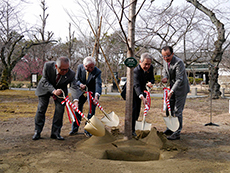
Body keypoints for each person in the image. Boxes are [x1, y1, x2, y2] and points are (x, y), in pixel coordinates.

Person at [32, 56, 78, 140]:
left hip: (61, 91)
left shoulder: (71, 73)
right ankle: (37, 131)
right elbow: (45, 81)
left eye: (66, 69)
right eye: (62, 69)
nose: (65, 72)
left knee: (60, 110)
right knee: (41, 108)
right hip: (45, 88)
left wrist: (75, 101)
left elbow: (74, 87)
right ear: (56, 66)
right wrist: (53, 91)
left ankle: (55, 133)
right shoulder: (48, 66)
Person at [161, 46, 190, 140]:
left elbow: (179, 79)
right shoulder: (165, 61)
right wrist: (165, 77)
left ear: (172, 54)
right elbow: (165, 71)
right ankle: (170, 128)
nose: (166, 58)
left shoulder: (179, 62)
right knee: (168, 109)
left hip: (181, 89)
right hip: (171, 88)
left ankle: (177, 132)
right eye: (164, 56)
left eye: (168, 56)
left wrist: (172, 91)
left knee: (177, 111)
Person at [69, 56, 102, 137]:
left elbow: (98, 84)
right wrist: (80, 84)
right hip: (81, 91)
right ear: (84, 65)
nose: (90, 69)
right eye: (88, 67)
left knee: (91, 110)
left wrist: (96, 96)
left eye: (92, 67)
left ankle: (88, 130)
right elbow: (76, 79)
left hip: (92, 92)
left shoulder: (97, 71)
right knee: (78, 109)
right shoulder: (79, 68)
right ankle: (74, 128)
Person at [132, 53, 155, 137]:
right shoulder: (136, 71)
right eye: (145, 64)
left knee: (137, 110)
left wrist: (150, 82)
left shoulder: (151, 68)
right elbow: (136, 85)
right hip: (133, 91)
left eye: (149, 64)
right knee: (133, 110)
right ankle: (131, 130)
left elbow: (152, 78)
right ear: (140, 62)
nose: (147, 66)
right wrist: (141, 96)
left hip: (142, 90)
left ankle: (135, 128)